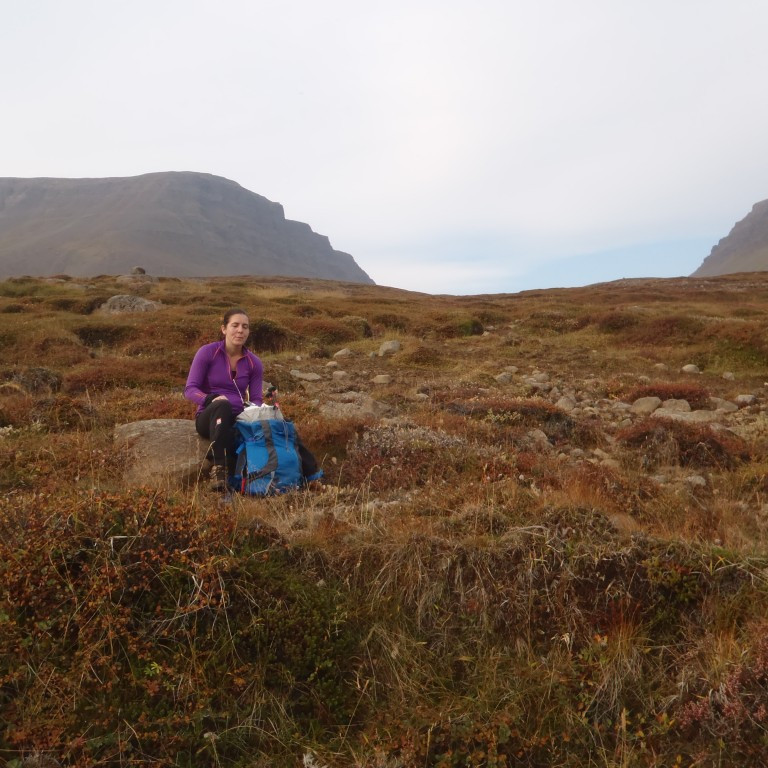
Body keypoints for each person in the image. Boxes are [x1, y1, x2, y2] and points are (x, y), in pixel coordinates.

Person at [185, 308, 263, 491]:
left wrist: (252, 411)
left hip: (239, 419)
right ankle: (219, 469)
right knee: (222, 405)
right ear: (224, 329)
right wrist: (210, 399)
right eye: (234, 325)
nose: (240, 331)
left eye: (245, 327)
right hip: (209, 417)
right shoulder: (207, 352)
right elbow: (190, 390)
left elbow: (257, 398)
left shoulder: (254, 362)